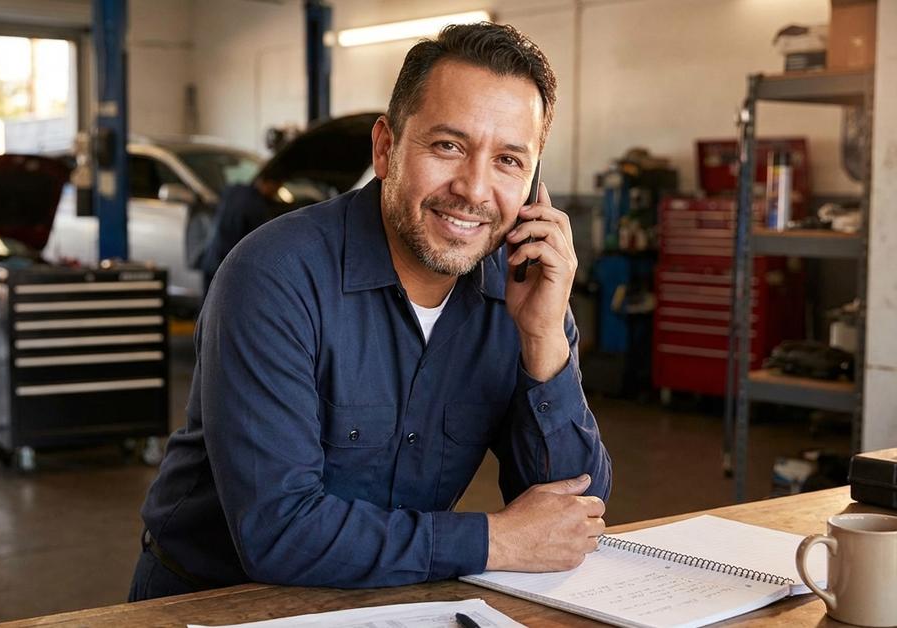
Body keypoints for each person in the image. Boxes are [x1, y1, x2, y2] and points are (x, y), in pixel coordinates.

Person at [129, 22, 611, 601]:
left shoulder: (523, 291)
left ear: (533, 181)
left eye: (508, 159)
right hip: (217, 603)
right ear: (386, 148)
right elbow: (278, 532)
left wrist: (543, 344)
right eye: (448, 146)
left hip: (396, 600)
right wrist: (496, 541)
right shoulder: (274, 277)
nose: (474, 189)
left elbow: (574, 513)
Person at [200, 169, 284, 292]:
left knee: (207, 302)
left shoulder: (233, 190)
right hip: (231, 264)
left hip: (211, 257)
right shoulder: (256, 205)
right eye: (276, 188)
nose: (275, 193)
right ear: (268, 184)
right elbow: (260, 239)